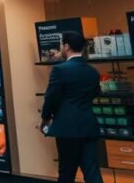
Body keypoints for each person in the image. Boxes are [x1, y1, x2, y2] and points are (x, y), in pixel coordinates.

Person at [41, 30, 102, 183]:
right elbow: (96, 93)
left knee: (67, 171)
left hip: (67, 127)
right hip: (88, 124)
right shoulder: (93, 71)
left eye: (61, 44)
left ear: (67, 46)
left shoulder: (60, 70)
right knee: (92, 169)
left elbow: (51, 97)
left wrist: (45, 119)